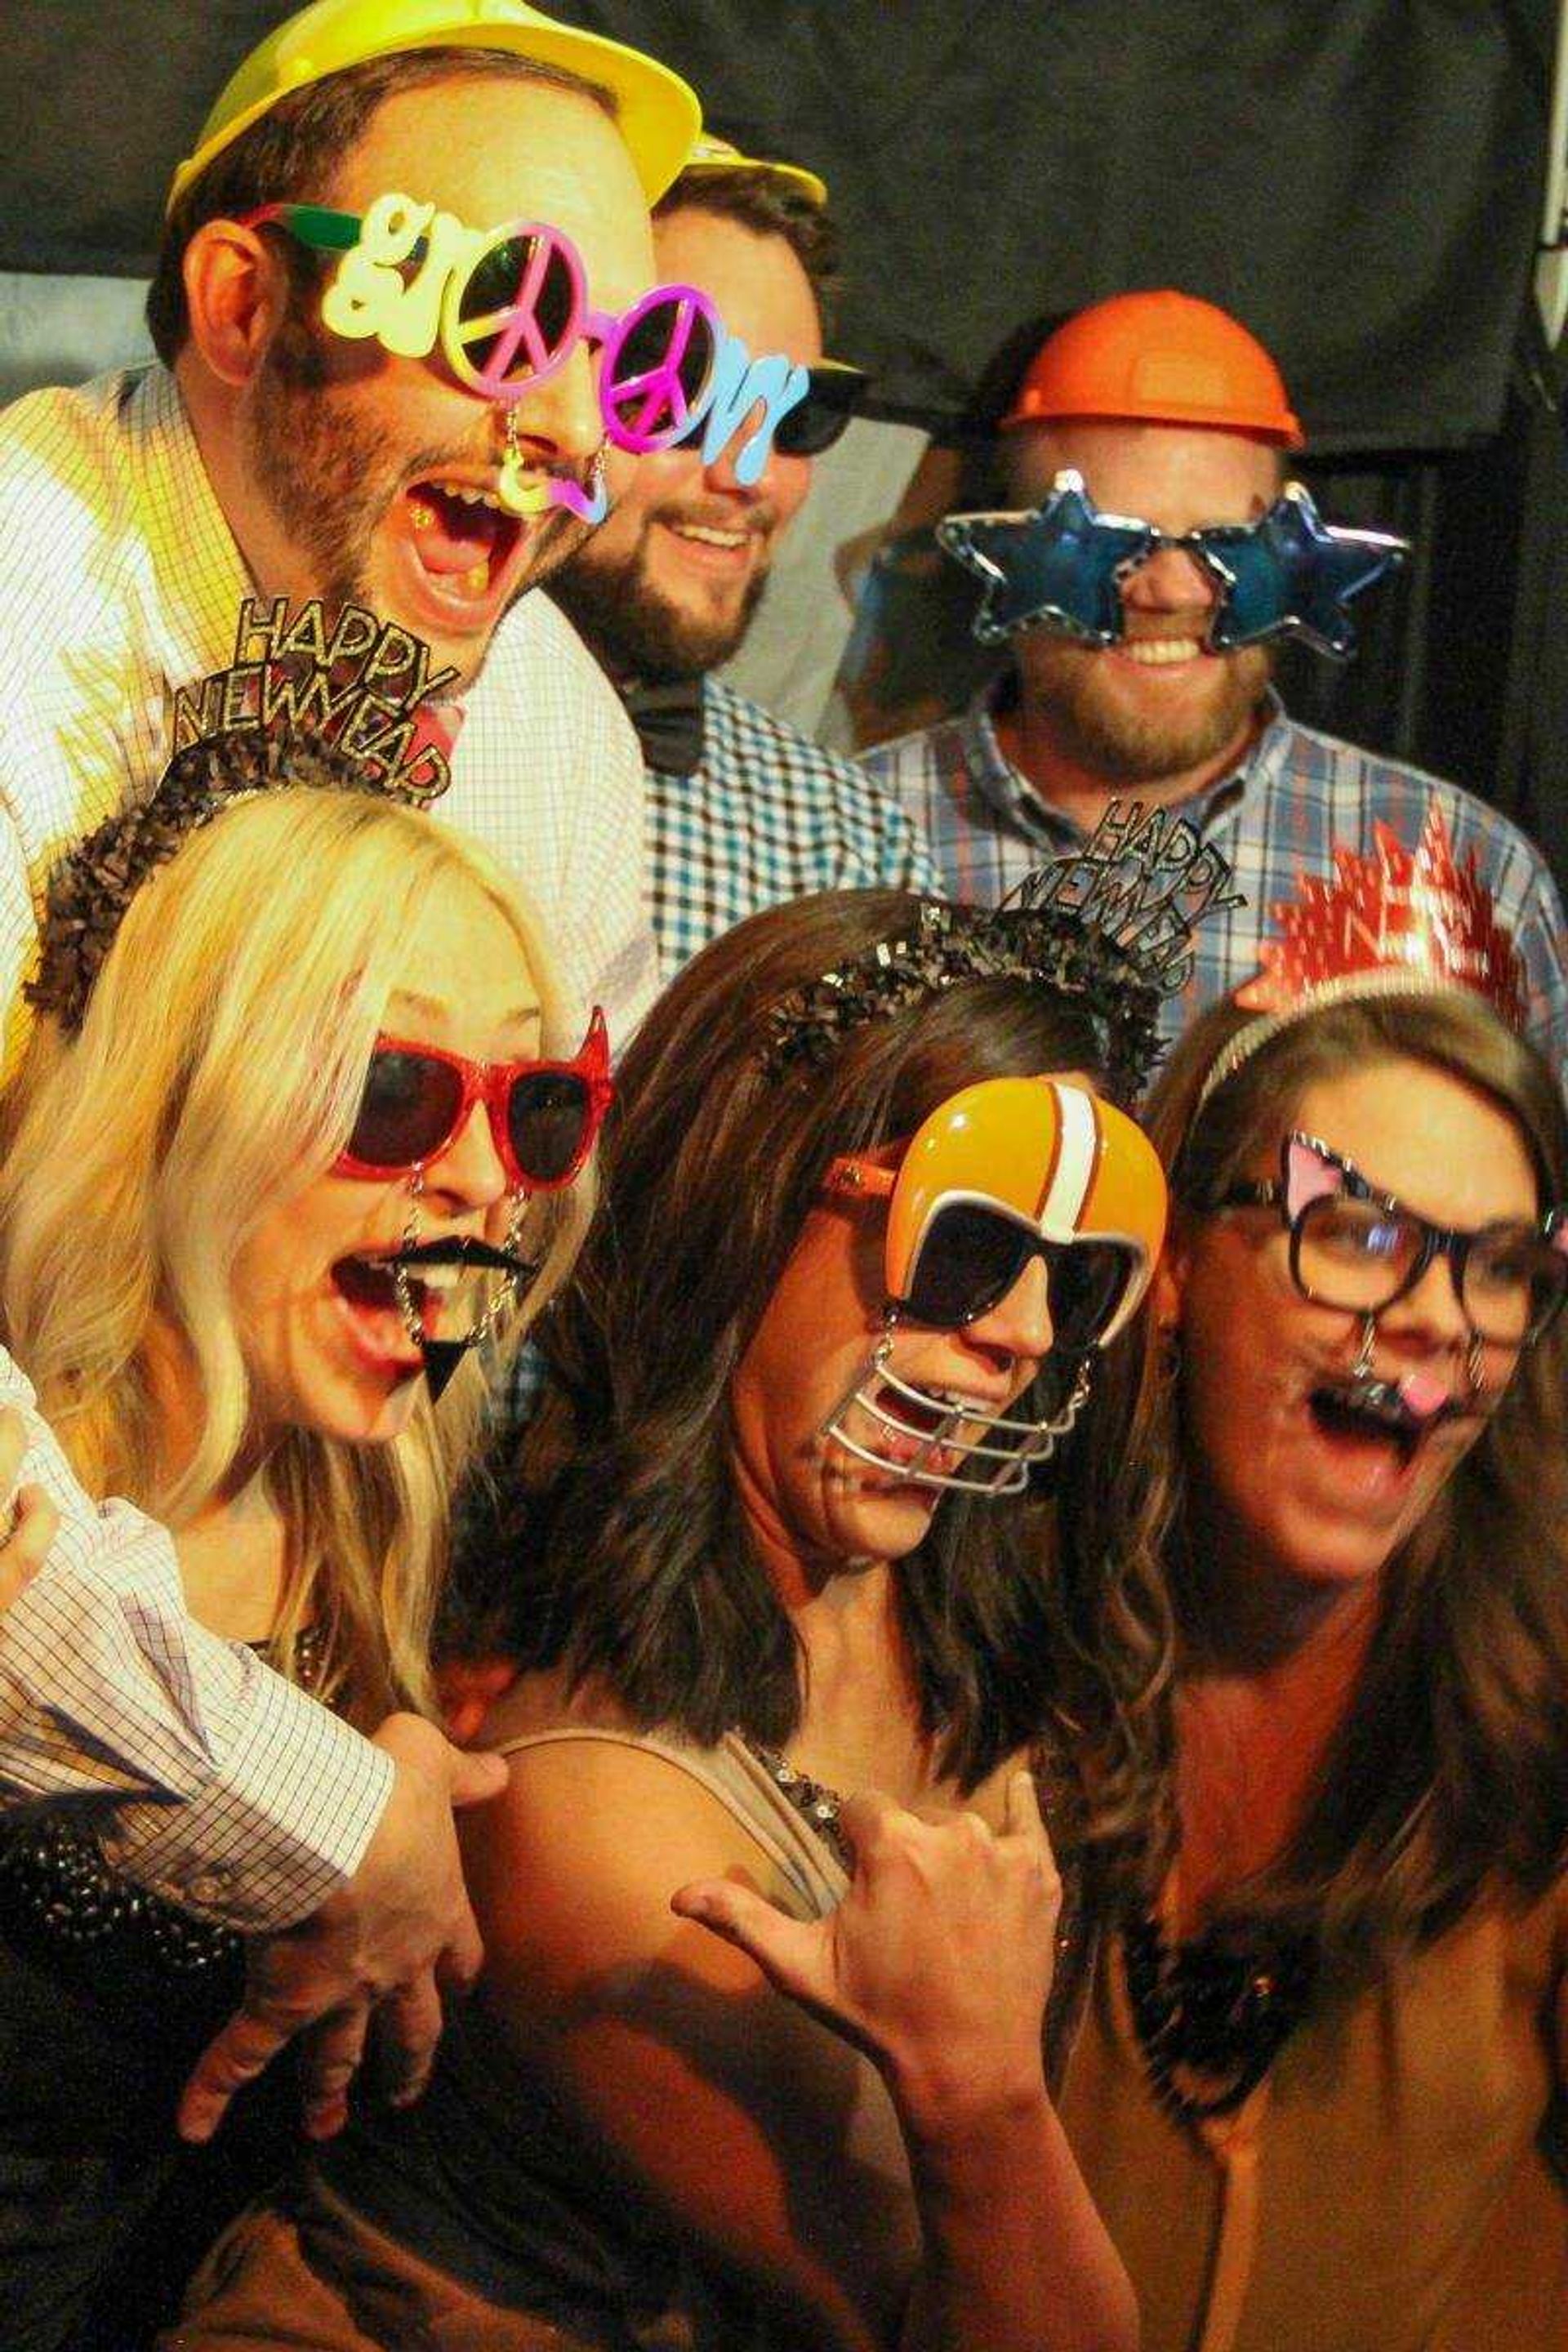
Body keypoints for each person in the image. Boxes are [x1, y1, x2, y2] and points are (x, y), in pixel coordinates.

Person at [167, 866, 1184, 2350]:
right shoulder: (591, 1811)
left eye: (1074, 1279)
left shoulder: (964, 1621)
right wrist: (979, 2095)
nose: (1023, 1333)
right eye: (965, 1252)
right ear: (741, 1214)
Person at [0, 724, 604, 2349]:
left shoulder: (379, 1539)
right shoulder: (26, 1484)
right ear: (195, 1094)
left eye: (538, 1108)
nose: (490, 1180)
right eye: (395, 1091)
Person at [1044, 859, 1568, 2349]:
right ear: (1177, 1265)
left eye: (1503, 1268)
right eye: (1357, 1230)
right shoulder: (983, 1658)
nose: (1431, 1322)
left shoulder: (1537, 1737)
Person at [0, 0, 706, 1072]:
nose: (573, 428)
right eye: (501, 317)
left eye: (626, 355)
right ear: (244, 307)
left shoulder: (557, 723)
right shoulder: (22, 639)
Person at [862, 289, 1568, 1083]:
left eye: (1229, 546)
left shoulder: (1463, 875)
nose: (1172, 592)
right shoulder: (847, 839)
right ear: (1009, 552)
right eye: (1102, 545)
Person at [550, 136, 937, 979]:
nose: (746, 474)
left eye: (799, 411)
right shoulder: (348, 732)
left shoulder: (850, 853)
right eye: (684, 395)